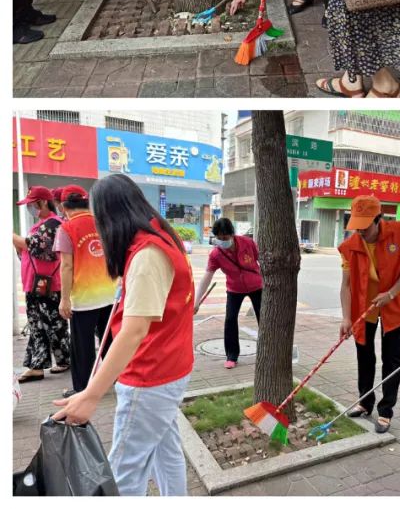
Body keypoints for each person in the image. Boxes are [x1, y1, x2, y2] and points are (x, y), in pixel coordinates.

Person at [50, 175, 193, 496]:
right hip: (169, 368)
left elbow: (133, 332)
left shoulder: (146, 254)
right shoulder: (160, 235)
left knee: (125, 471)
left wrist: (90, 395)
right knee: (165, 451)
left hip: (150, 376)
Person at [338, 195, 400, 433]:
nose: (360, 232)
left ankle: (386, 410)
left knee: (391, 359)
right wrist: (346, 317)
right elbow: (346, 286)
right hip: (365, 306)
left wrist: (390, 294)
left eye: (365, 226)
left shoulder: (399, 233)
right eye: (356, 227)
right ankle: (365, 402)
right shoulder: (350, 247)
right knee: (365, 355)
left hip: (393, 303)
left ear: (378, 219)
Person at [53, 185, 116, 397]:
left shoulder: (66, 228)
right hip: (110, 294)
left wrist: (64, 300)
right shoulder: (104, 222)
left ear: (63, 206)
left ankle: (82, 388)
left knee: (82, 346)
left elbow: (66, 266)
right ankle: (116, 379)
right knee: (109, 340)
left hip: (84, 298)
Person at [14, 185, 70, 384]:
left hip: (47, 284)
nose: (29, 208)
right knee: (45, 324)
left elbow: (36, 247)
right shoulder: (41, 225)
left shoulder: (53, 224)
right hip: (36, 283)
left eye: (31, 204)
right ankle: (58, 360)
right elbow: (27, 252)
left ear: (43, 202)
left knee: (49, 324)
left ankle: (41, 365)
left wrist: (12, 237)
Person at [192, 218, 262, 370]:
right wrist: (196, 301)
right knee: (230, 320)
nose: (223, 241)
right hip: (234, 289)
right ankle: (231, 356)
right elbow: (207, 276)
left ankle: (268, 352)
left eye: (226, 238)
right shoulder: (216, 254)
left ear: (232, 234)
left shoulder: (247, 243)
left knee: (264, 319)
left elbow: (261, 260)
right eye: (219, 238)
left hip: (257, 286)